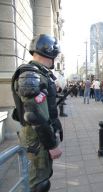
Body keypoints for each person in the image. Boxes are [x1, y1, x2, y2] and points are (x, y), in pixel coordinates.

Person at [11, 34, 63, 192]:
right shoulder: (31, 75)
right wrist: (51, 145)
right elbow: (33, 116)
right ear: (50, 53)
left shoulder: (39, 73)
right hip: (37, 139)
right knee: (38, 184)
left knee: (42, 179)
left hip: (38, 137)